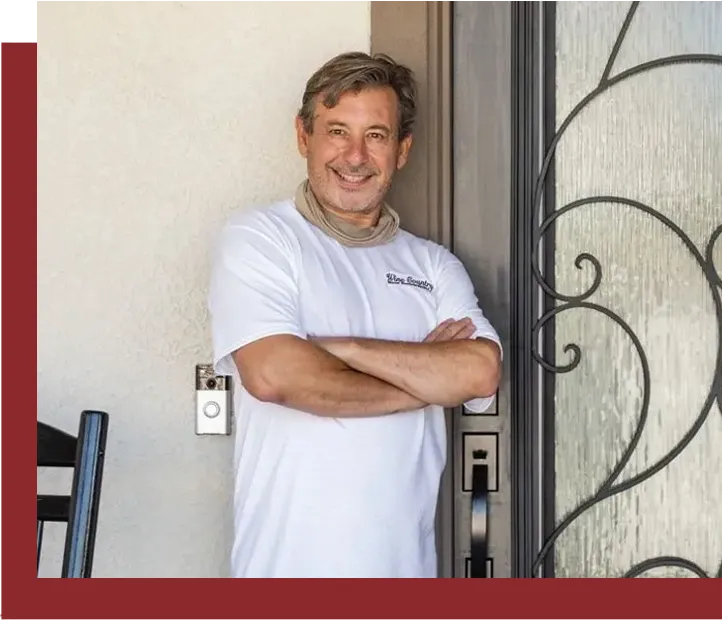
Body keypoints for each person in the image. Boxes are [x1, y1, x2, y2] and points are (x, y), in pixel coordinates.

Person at [206, 51, 502, 578]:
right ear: (304, 137)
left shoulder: (431, 265)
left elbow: (478, 373)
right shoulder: (262, 239)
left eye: (377, 135)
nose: (355, 155)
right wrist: (427, 381)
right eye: (337, 130)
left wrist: (338, 349)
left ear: (402, 150)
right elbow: (275, 376)